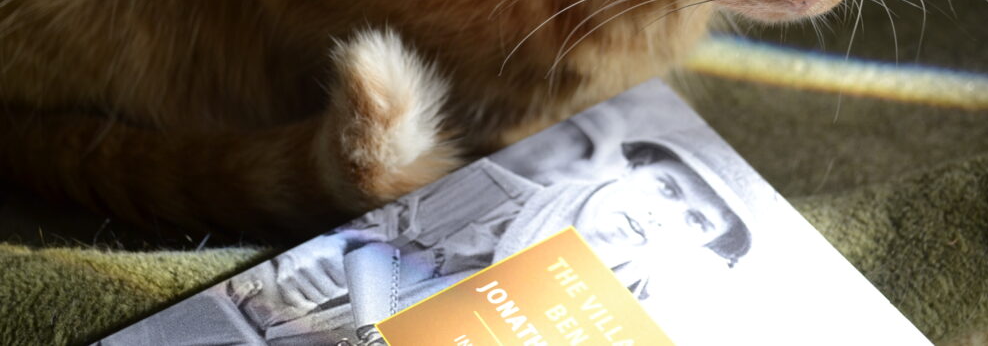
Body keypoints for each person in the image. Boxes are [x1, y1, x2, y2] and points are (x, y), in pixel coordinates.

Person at [225, 120, 753, 346]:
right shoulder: (485, 190)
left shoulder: (619, 328)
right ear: (633, 168)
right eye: (666, 188)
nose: (663, 216)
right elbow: (357, 240)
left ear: (702, 245)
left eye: (696, 221)